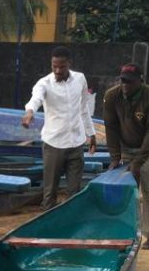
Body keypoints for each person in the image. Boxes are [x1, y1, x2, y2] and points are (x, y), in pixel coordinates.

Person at [21, 45, 98, 209]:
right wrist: (29, 112)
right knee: (50, 193)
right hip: (53, 144)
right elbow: (36, 98)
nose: (57, 70)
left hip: (76, 143)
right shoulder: (45, 83)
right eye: (54, 66)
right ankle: (47, 228)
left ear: (69, 63)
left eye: (61, 66)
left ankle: (70, 228)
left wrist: (91, 134)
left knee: (75, 191)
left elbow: (83, 108)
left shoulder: (80, 79)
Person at [103, 63, 149, 250]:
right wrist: (115, 157)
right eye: (123, 81)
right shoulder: (111, 96)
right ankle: (125, 233)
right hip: (126, 146)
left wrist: (138, 162)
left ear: (140, 81)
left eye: (130, 82)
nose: (125, 85)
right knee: (126, 188)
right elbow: (110, 127)